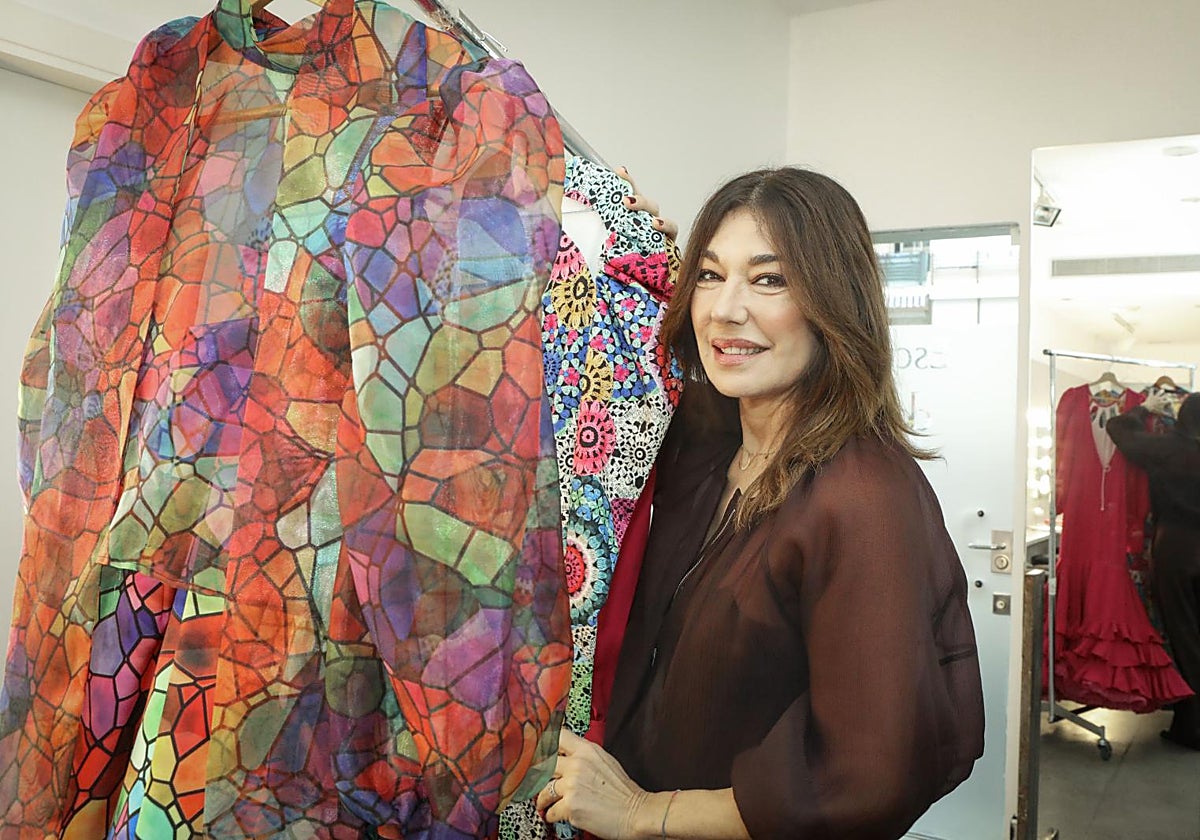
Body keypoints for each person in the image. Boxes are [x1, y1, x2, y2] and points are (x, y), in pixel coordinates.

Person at [532, 167, 985, 839]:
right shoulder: (708, 449)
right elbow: (608, 373)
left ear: (834, 300)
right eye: (710, 275)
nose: (724, 308)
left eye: (768, 279)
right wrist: (603, 231)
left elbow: (869, 773)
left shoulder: (862, 497)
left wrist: (644, 813)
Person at [1107, 391, 1200, 750]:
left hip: (1176, 546)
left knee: (1183, 634)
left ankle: (1192, 725)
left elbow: (1118, 428)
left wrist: (1144, 408)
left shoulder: (1167, 448)